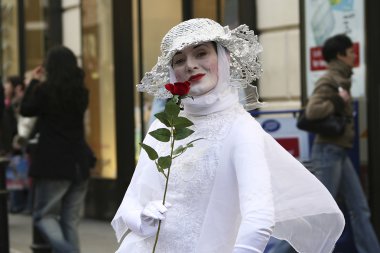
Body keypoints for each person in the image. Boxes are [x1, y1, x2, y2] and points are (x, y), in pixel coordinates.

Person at [111, 18, 345, 253]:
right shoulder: (165, 126)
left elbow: (259, 217)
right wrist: (142, 219)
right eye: (180, 60)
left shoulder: (240, 128)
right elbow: (132, 201)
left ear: (225, 58)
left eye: (201, 53)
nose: (190, 65)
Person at [304, 34, 380, 253]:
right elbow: (312, 111)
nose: (354, 56)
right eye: (350, 52)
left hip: (339, 152)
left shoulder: (341, 78)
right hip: (328, 152)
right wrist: (338, 101)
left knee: (360, 209)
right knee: (320, 212)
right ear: (340, 55)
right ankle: (276, 250)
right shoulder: (330, 80)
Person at [20, 46, 90, 253]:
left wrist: (33, 81)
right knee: (69, 220)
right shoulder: (81, 91)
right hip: (79, 162)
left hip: (54, 163)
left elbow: (26, 109)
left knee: (44, 215)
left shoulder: (45, 91)